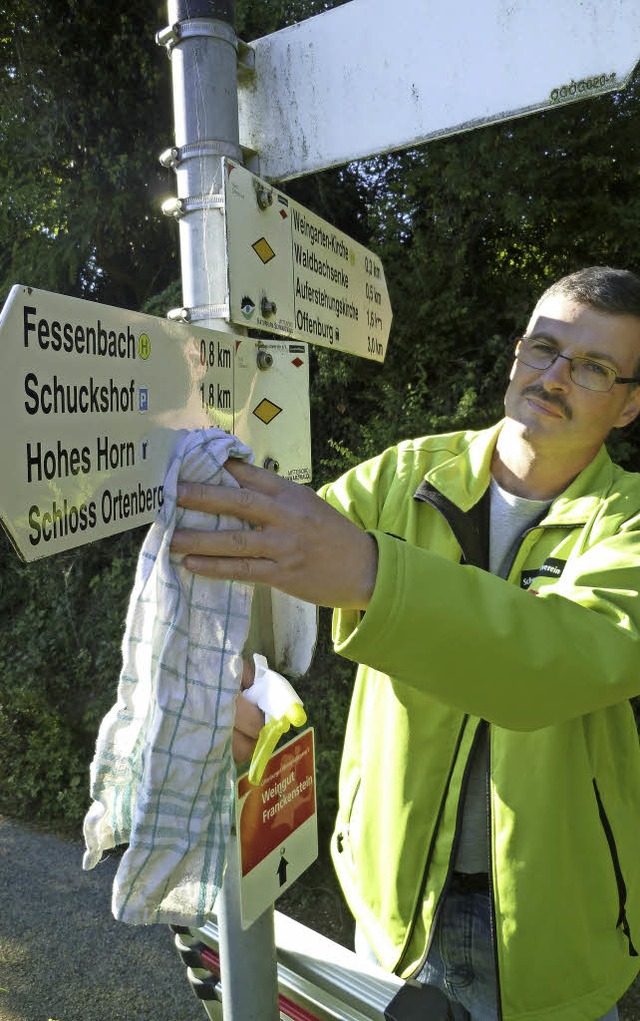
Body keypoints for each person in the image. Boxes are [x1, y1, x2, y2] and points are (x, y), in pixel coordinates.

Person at [170, 266, 640, 1020]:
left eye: (591, 367)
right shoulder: (408, 472)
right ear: (517, 352)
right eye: (544, 348)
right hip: (392, 907)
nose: (554, 376)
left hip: (559, 933)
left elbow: (565, 657)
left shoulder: (629, 523)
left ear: (630, 403)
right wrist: (223, 677)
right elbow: (265, 577)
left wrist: (371, 573)